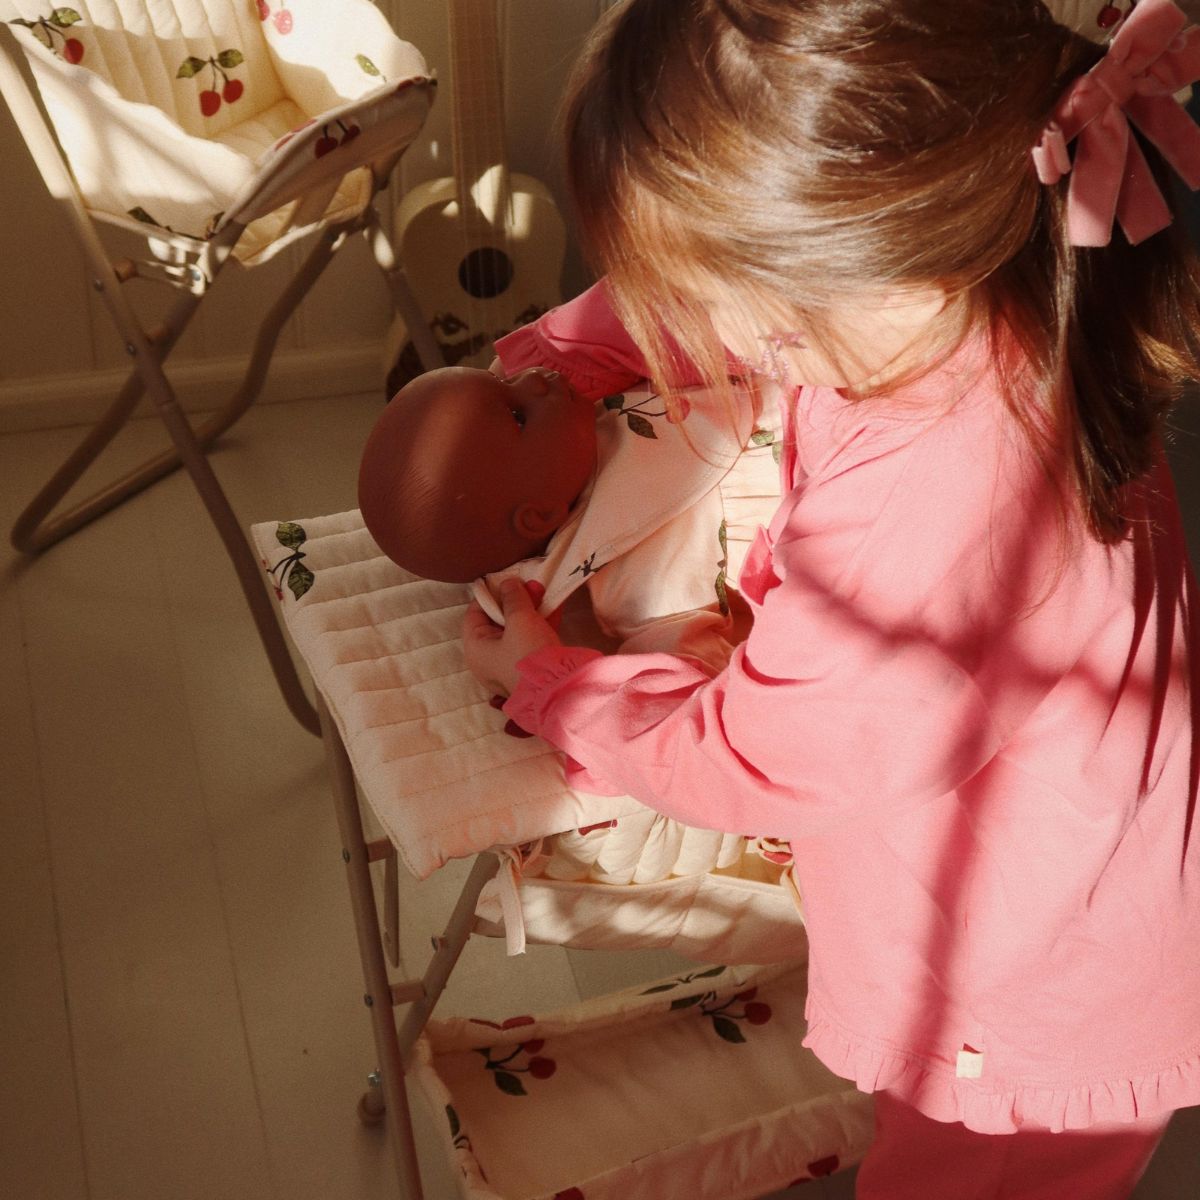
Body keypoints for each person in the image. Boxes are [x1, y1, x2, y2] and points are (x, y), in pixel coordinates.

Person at [462, 1, 1200, 1196]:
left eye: (726, 296)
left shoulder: (945, 493)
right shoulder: (969, 264)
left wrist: (556, 687)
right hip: (1059, 892)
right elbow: (731, 305)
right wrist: (563, 357)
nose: (714, 334)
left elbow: (754, 754)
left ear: (838, 257)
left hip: (1030, 994)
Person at [357, 365, 598, 582]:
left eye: (501, 379)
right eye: (519, 418)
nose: (533, 376)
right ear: (539, 516)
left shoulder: (565, 376)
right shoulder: (609, 555)